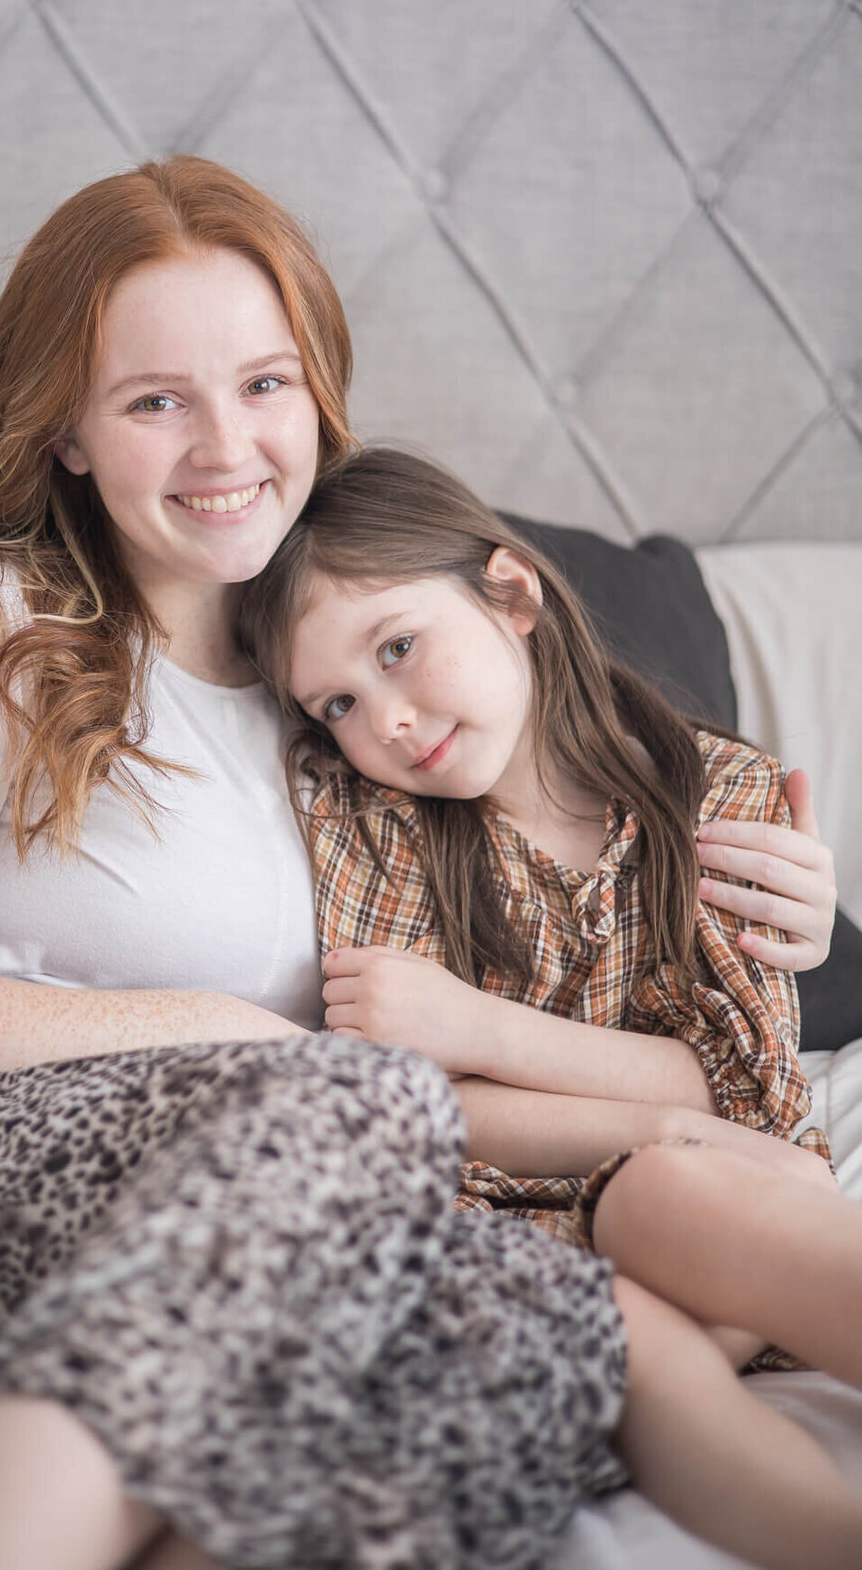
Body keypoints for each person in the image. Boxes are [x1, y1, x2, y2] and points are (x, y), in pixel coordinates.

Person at [0, 164, 840, 1570]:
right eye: (156, 400)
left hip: (235, 1239)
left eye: (265, 384)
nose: (228, 446)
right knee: (347, 1126)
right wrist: (247, 1051)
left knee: (534, 1340)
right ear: (70, 433)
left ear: (319, 397)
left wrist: (794, 917)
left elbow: (598, 931)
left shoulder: (354, 710)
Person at [239, 443, 862, 1568]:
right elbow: (413, 1107)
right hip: (508, 1243)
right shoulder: (370, 820)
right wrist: (661, 1105)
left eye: (398, 647)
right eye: (338, 700)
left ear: (511, 593)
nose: (384, 719)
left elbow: (747, 1088)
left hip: (720, 1200)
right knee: (629, 1319)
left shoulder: (711, 793)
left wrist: (474, 1031)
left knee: (668, 1193)